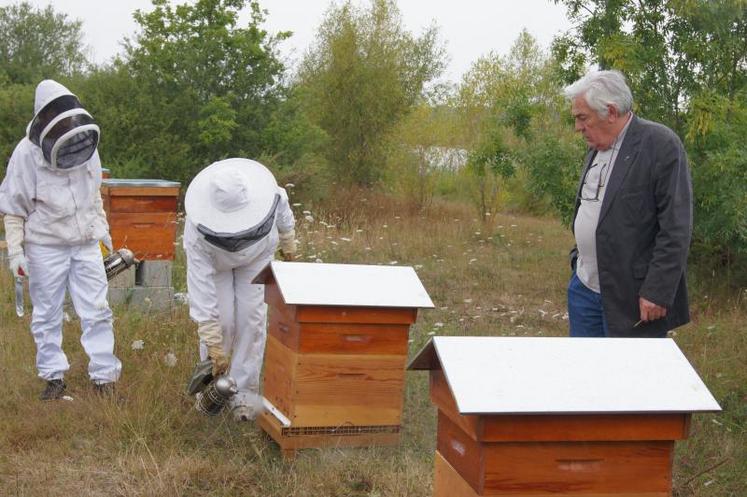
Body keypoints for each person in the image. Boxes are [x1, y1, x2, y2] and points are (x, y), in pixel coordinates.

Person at [0, 79, 121, 399]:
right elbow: (13, 208)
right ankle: (53, 378)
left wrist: (103, 233)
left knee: (98, 309)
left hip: (84, 242)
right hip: (45, 245)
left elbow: (94, 196)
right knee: (47, 312)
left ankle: (104, 378)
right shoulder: (25, 154)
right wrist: (16, 253)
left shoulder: (84, 144)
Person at [564, 70, 692, 338]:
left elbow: (676, 227)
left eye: (582, 118)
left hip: (632, 298)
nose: (577, 127)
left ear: (610, 112)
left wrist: (657, 290)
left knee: (630, 377)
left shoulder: (660, 145)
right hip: (584, 289)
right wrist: (579, 257)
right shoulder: (596, 146)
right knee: (585, 373)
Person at [183, 158, 296, 421]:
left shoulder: (271, 195)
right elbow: (201, 289)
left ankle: (243, 397)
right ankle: (212, 392)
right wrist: (212, 340)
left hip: (256, 257)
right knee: (222, 324)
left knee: (251, 321)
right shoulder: (197, 232)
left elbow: (283, 209)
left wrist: (288, 237)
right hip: (217, 264)